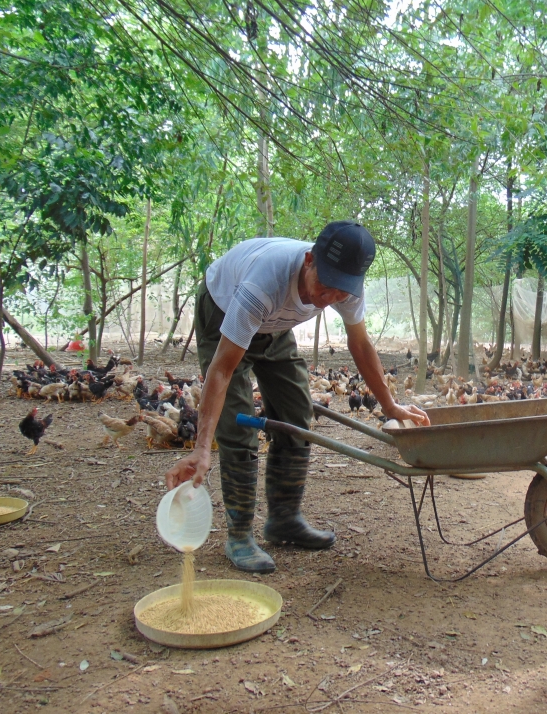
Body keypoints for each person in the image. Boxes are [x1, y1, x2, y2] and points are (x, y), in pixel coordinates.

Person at [165, 221, 430, 573]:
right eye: (326, 285)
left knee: (296, 409)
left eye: (342, 291)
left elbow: (361, 345)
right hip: (224, 310)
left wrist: (390, 405)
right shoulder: (265, 283)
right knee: (238, 422)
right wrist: (201, 446)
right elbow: (223, 371)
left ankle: (284, 520)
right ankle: (240, 535)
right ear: (309, 260)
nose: (331, 297)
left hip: (273, 325)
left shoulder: (346, 288)